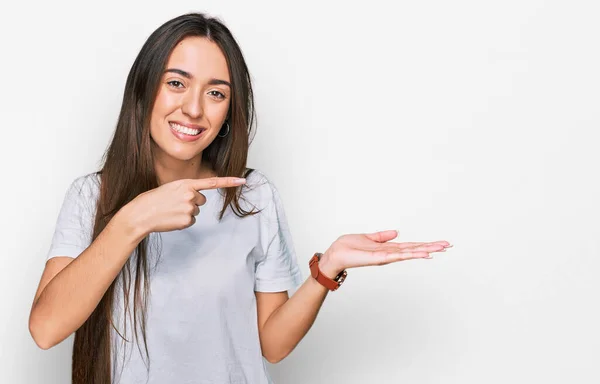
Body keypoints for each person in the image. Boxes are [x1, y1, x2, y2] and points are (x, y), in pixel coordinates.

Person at [28, 12, 451, 384]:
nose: (193, 109)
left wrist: (328, 269)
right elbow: (46, 330)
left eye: (216, 93)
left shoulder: (252, 196)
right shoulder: (92, 196)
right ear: (143, 90)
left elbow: (272, 344)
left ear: (230, 111)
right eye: (176, 83)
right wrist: (132, 220)